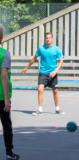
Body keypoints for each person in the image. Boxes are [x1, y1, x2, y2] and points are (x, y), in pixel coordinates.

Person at [22, 32, 64, 115]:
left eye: (49, 38)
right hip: (43, 73)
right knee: (40, 89)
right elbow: (34, 58)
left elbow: (61, 61)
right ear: (45, 39)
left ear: (52, 39)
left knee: (55, 91)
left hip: (53, 73)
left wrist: (55, 71)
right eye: (46, 38)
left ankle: (57, 109)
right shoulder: (41, 48)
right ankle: (40, 109)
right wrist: (27, 67)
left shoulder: (56, 49)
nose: (48, 39)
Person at [0, 25, 20, 160]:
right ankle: (9, 153)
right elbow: (4, 76)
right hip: (1, 96)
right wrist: (7, 99)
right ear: (1, 37)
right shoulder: (4, 53)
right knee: (6, 125)